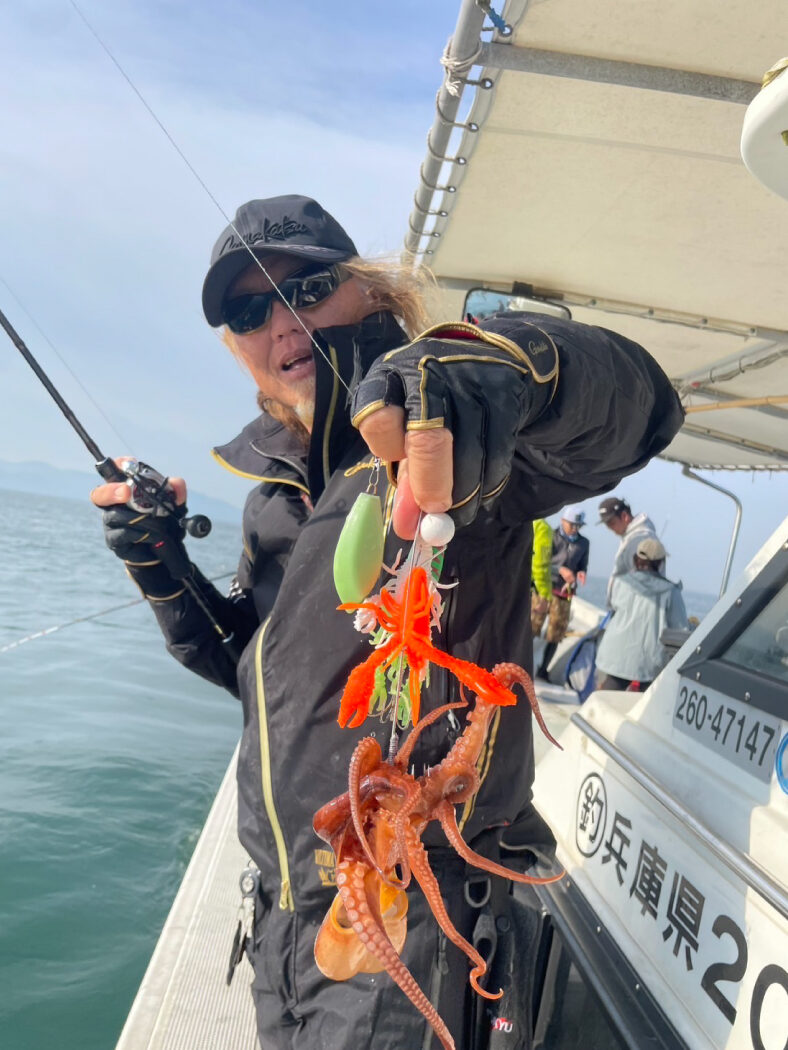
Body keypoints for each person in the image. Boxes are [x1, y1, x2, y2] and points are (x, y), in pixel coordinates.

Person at [90, 193, 684, 1050]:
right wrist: (162, 568)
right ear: (235, 346)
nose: (280, 321)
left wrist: (505, 368)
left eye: (308, 288)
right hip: (282, 915)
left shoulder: (447, 436)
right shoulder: (271, 497)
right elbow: (261, 677)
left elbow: (642, 408)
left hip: (407, 910)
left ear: (368, 291)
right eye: (248, 313)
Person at [595, 537, 688, 691]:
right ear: (660, 562)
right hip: (648, 662)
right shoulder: (671, 591)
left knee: (607, 694)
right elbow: (680, 628)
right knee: (648, 699)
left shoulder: (620, 582)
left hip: (615, 655)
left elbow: (614, 605)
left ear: (636, 559)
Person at [532, 506, 589, 682]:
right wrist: (560, 570)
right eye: (572, 524)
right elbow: (540, 561)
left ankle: (543, 670)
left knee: (556, 633)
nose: (575, 528)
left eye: (578, 525)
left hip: (565, 593)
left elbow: (582, 565)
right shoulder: (550, 536)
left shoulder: (584, 543)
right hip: (543, 588)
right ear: (563, 521)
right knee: (532, 626)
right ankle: (522, 662)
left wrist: (581, 572)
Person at [597, 496, 658, 604]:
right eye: (607, 525)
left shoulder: (639, 539)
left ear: (624, 516)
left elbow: (643, 581)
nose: (610, 528)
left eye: (611, 523)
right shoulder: (631, 536)